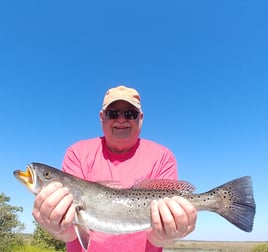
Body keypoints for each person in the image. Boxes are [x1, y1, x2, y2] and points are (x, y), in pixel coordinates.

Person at [32, 85, 197, 252]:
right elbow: (71, 231)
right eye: (113, 113)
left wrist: (165, 234)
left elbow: (158, 236)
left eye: (130, 114)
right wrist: (58, 228)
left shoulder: (163, 156)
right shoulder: (77, 153)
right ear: (101, 117)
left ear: (141, 118)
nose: (121, 119)